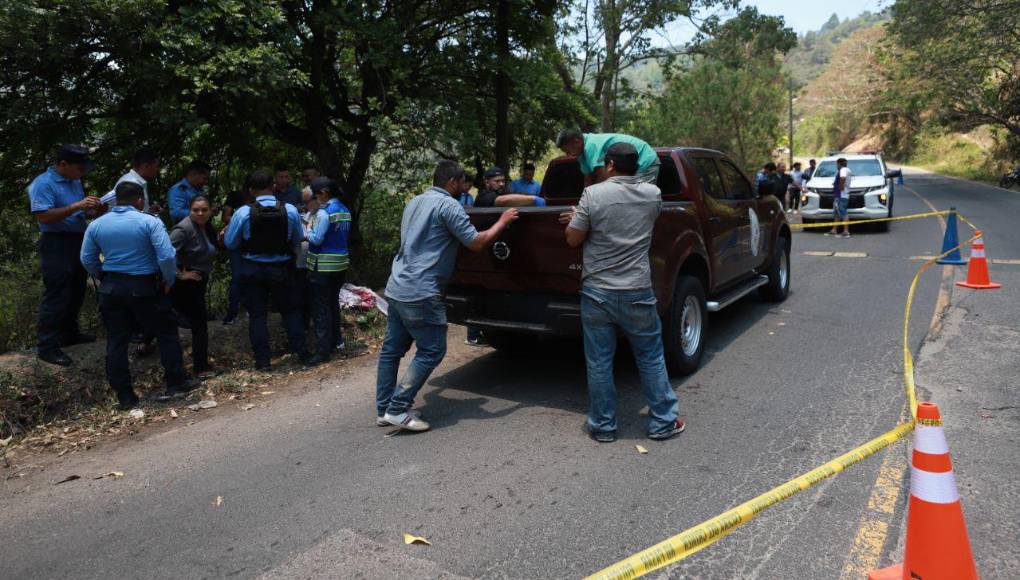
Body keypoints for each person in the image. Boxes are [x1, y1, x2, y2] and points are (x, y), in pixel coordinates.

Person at [376, 160, 519, 432]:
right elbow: (476, 242)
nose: (465, 186)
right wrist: (502, 221)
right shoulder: (449, 205)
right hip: (422, 290)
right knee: (432, 350)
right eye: (463, 182)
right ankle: (397, 408)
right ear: (452, 182)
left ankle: (384, 408)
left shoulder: (414, 202)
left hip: (397, 285)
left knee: (391, 351)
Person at [559, 142, 684, 443]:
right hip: (637, 291)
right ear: (636, 166)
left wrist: (577, 218)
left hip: (598, 293)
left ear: (611, 165)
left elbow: (574, 240)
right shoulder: (653, 195)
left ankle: (603, 427)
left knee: (600, 361)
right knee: (651, 358)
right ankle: (663, 422)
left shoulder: (593, 194)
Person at [80, 181, 197, 409]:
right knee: (166, 332)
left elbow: (87, 259)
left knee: (117, 340)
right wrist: (169, 279)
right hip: (143, 287)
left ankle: (125, 397)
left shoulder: (97, 225)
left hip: (111, 289)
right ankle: (175, 383)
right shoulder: (150, 222)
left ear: (116, 200)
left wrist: (104, 276)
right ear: (139, 200)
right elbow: (165, 256)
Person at [223, 170, 309, 370]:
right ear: (273, 186)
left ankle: (263, 361)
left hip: (253, 270)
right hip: (282, 268)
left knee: (258, 316)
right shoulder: (290, 210)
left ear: (251, 190)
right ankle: (301, 352)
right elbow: (298, 239)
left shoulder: (242, 212)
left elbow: (230, 243)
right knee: (290, 311)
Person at [28, 144, 103, 366]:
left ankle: (69, 334)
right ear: (63, 164)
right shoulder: (43, 184)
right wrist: (78, 205)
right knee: (57, 292)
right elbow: (43, 216)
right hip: (56, 242)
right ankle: (47, 346)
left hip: (77, 240)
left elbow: (76, 211)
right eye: (80, 168)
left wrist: (92, 209)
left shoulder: (74, 180)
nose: (83, 173)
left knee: (77, 289)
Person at [169, 195, 217, 378]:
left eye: (204, 210)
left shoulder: (206, 226)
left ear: (211, 210)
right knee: (199, 325)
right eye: (195, 210)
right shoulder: (184, 228)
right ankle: (201, 367)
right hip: (185, 283)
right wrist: (180, 274)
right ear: (189, 210)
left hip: (199, 281)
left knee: (193, 322)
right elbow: (165, 252)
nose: (200, 213)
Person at [305, 177, 352, 364]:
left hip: (322, 266)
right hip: (340, 265)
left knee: (321, 309)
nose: (315, 200)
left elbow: (316, 239)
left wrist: (307, 229)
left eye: (315, 196)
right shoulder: (345, 210)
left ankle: (322, 352)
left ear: (323, 193)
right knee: (332, 304)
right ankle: (335, 342)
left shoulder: (324, 213)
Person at [556, 129, 660, 184]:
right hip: (631, 166)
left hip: (645, 160)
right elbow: (588, 180)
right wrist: (583, 204)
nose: (567, 154)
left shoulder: (591, 145)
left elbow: (602, 177)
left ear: (576, 142)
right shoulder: (581, 155)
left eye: (567, 150)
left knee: (637, 200)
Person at [220, 180, 253, 325]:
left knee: (253, 278)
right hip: (237, 242)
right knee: (237, 277)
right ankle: (232, 313)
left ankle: (251, 310)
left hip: (254, 243)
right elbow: (224, 217)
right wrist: (241, 220)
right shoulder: (234, 196)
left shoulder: (265, 199)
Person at [100, 147, 162, 215]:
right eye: (156, 166)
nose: (157, 170)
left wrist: (148, 210)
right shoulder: (129, 182)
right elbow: (101, 203)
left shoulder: (139, 182)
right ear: (145, 166)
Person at [474, 166, 547, 208]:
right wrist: (534, 199)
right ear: (487, 182)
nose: (501, 184)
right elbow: (504, 201)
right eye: (497, 181)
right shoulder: (483, 196)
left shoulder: (503, 192)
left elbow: (514, 196)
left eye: (503, 181)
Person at [827, 157, 852, 238]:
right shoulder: (847, 170)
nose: (836, 166)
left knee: (843, 212)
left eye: (837, 164)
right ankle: (834, 230)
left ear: (839, 164)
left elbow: (843, 178)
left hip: (841, 195)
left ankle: (846, 231)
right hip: (840, 195)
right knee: (837, 213)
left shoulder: (843, 170)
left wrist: (840, 187)